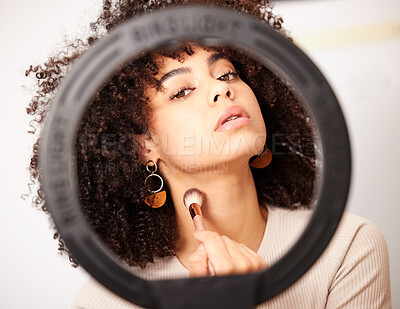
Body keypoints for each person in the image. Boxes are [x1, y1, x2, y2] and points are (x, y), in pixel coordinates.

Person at [25, 0, 391, 308]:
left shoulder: (347, 247)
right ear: (143, 147)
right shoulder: (107, 301)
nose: (221, 90)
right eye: (182, 91)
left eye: (228, 74)